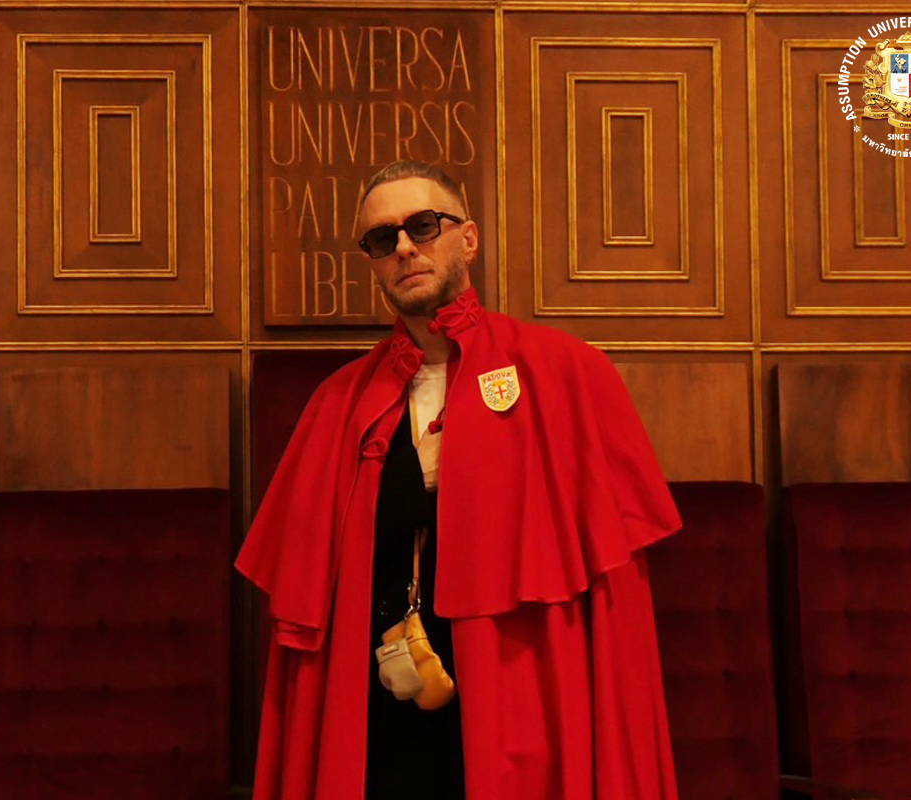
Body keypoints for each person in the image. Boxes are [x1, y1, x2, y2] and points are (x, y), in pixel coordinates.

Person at [235, 160, 683, 800]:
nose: (404, 248)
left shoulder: (566, 375)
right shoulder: (337, 407)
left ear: (468, 239)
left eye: (423, 226)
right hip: (384, 709)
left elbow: (614, 613)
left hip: (527, 695)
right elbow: (308, 617)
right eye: (382, 239)